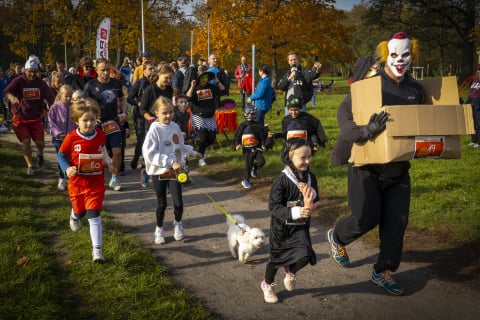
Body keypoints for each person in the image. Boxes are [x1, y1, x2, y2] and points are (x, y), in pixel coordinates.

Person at [328, 32, 425, 296]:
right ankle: (337, 237)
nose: (400, 60)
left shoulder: (415, 89)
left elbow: (428, 119)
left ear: (412, 56)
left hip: (398, 168)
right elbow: (343, 112)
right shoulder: (370, 83)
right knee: (364, 219)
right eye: (394, 55)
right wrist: (365, 131)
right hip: (365, 167)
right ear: (385, 55)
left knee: (397, 224)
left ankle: (382, 271)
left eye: (405, 55)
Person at [261, 138, 319, 304]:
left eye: (309, 156)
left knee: (305, 255)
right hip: (281, 229)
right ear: (289, 157)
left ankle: (290, 272)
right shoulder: (282, 180)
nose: (307, 160)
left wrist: (311, 205)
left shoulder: (311, 177)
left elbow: (317, 200)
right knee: (275, 260)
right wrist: (297, 211)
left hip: (301, 227)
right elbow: (274, 207)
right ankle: (267, 284)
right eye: (303, 157)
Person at [142, 96, 203, 244]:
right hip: (159, 171)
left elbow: (180, 145)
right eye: (164, 113)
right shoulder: (154, 130)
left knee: (178, 202)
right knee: (162, 203)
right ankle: (159, 229)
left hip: (175, 170)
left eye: (171, 112)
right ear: (156, 113)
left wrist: (193, 152)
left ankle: (178, 223)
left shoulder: (175, 126)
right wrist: (169, 161)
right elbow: (149, 153)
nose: (168, 116)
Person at [57, 97, 112, 263]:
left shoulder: (101, 135)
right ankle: (74, 216)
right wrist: (67, 168)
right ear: (76, 121)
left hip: (96, 184)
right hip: (77, 184)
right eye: (85, 120)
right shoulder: (72, 138)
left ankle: (97, 251)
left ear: (97, 119)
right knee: (80, 212)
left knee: (94, 215)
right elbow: (61, 155)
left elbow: (102, 151)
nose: (89, 124)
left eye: (92, 120)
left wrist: (108, 162)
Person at [3, 55, 55, 174]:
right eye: (30, 72)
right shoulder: (18, 81)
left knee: (40, 144)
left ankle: (40, 154)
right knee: (26, 141)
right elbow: (6, 91)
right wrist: (11, 97)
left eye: (35, 72)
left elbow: (50, 97)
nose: (32, 74)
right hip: (20, 118)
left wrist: (54, 106)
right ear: (25, 70)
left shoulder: (41, 83)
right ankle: (30, 165)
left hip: (36, 118)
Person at [83, 58, 127, 191]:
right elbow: (83, 104)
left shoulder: (116, 83)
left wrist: (124, 111)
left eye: (108, 70)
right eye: (103, 70)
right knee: (96, 154)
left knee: (117, 152)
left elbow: (122, 98)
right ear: (96, 70)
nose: (106, 73)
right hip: (96, 125)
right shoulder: (90, 85)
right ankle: (92, 181)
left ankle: (114, 179)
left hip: (113, 122)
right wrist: (91, 116)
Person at [139, 63, 174, 187]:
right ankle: (145, 171)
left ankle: (166, 179)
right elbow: (142, 109)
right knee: (151, 150)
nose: (168, 81)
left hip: (166, 124)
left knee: (166, 149)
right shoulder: (150, 89)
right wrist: (151, 120)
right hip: (152, 124)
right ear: (159, 75)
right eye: (166, 78)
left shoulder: (169, 90)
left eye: (171, 78)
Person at [186, 70, 225, 166]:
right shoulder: (195, 88)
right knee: (203, 138)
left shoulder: (211, 87)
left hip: (210, 117)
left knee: (211, 139)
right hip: (198, 117)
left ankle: (200, 150)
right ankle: (201, 158)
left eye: (206, 78)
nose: (205, 80)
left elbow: (223, 90)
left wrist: (216, 80)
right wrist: (192, 86)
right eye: (203, 77)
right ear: (199, 78)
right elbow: (188, 98)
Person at [127, 61, 156, 171]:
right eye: (150, 69)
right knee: (142, 138)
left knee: (150, 138)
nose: (152, 71)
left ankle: (145, 161)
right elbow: (129, 98)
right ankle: (136, 157)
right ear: (144, 71)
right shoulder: (139, 83)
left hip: (152, 114)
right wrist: (138, 103)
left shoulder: (156, 83)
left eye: (154, 68)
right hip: (140, 114)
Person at [48, 84, 77, 191]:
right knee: (61, 158)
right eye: (66, 96)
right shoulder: (55, 107)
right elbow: (51, 122)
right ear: (60, 95)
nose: (69, 98)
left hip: (72, 138)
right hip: (59, 138)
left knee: (72, 158)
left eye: (70, 96)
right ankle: (61, 178)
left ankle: (72, 178)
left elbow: (77, 120)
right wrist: (58, 133)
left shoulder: (74, 106)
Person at [232, 105, 268, 189]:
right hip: (247, 149)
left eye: (251, 114)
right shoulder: (242, 125)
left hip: (256, 148)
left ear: (255, 115)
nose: (249, 116)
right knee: (248, 164)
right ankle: (246, 180)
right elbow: (237, 136)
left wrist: (263, 144)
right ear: (244, 114)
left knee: (261, 162)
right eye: (247, 114)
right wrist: (237, 144)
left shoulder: (258, 126)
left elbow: (261, 136)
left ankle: (254, 167)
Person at [466, 65, 480, 148]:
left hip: (478, 107)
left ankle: (479, 142)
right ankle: (473, 140)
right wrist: (466, 102)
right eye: (477, 70)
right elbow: (471, 93)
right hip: (472, 105)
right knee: (473, 123)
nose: (478, 72)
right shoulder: (475, 81)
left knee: (479, 124)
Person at [0, 65, 10, 132]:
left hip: (5, 96)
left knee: (5, 109)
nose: (1, 73)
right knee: (2, 108)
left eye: (2, 72)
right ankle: (1, 121)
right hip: (0, 96)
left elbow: (9, 86)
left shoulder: (7, 78)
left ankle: (4, 120)